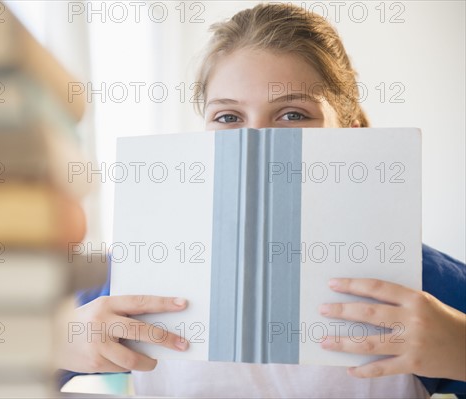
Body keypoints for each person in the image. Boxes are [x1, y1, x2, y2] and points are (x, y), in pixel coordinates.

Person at [57, 3, 466, 397]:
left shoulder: (421, 283)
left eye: (292, 114)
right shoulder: (135, 271)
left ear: (352, 133)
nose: (254, 142)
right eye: (228, 117)